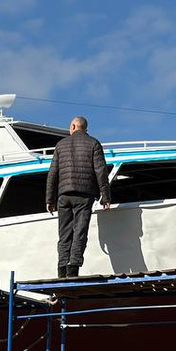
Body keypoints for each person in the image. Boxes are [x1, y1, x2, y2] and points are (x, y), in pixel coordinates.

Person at [46, 116, 111, 277]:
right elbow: (101, 171)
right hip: (84, 194)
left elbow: (52, 173)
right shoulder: (93, 143)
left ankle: (61, 268)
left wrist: (49, 199)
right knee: (79, 232)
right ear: (85, 129)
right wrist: (106, 196)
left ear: (73, 126)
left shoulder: (60, 145)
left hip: (64, 195)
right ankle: (73, 267)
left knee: (64, 233)